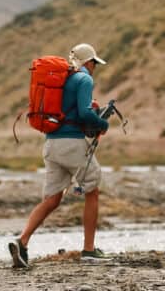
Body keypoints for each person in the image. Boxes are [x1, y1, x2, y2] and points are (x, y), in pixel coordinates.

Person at [9, 43, 112, 268]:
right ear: (89, 62)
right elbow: (84, 113)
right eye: (95, 63)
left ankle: (23, 241)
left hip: (51, 144)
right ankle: (89, 250)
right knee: (92, 192)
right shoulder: (84, 79)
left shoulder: (61, 79)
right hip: (72, 145)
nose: (95, 67)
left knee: (52, 199)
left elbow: (70, 110)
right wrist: (102, 122)